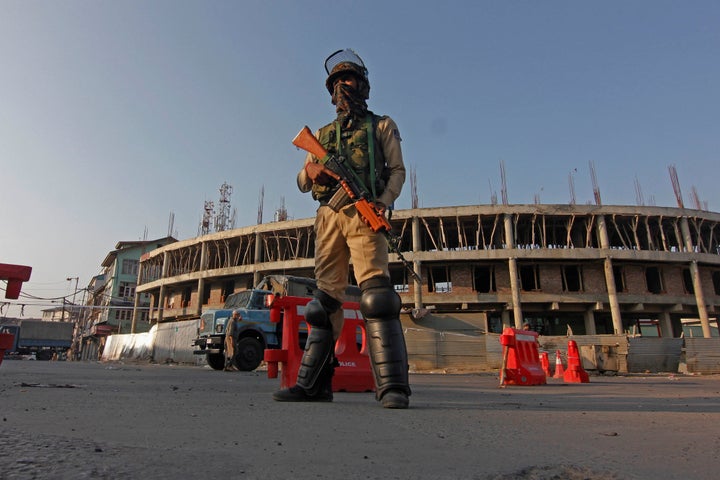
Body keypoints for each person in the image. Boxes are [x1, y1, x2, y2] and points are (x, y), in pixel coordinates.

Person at [273, 49, 411, 409]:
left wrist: (383, 201)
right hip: (328, 219)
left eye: (348, 80)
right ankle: (313, 386)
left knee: (377, 297)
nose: (342, 87)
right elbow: (303, 181)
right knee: (322, 305)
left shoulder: (380, 126)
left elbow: (397, 170)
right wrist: (311, 171)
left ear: (362, 86)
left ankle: (393, 387)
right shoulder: (321, 135)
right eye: (336, 83)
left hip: (365, 214)